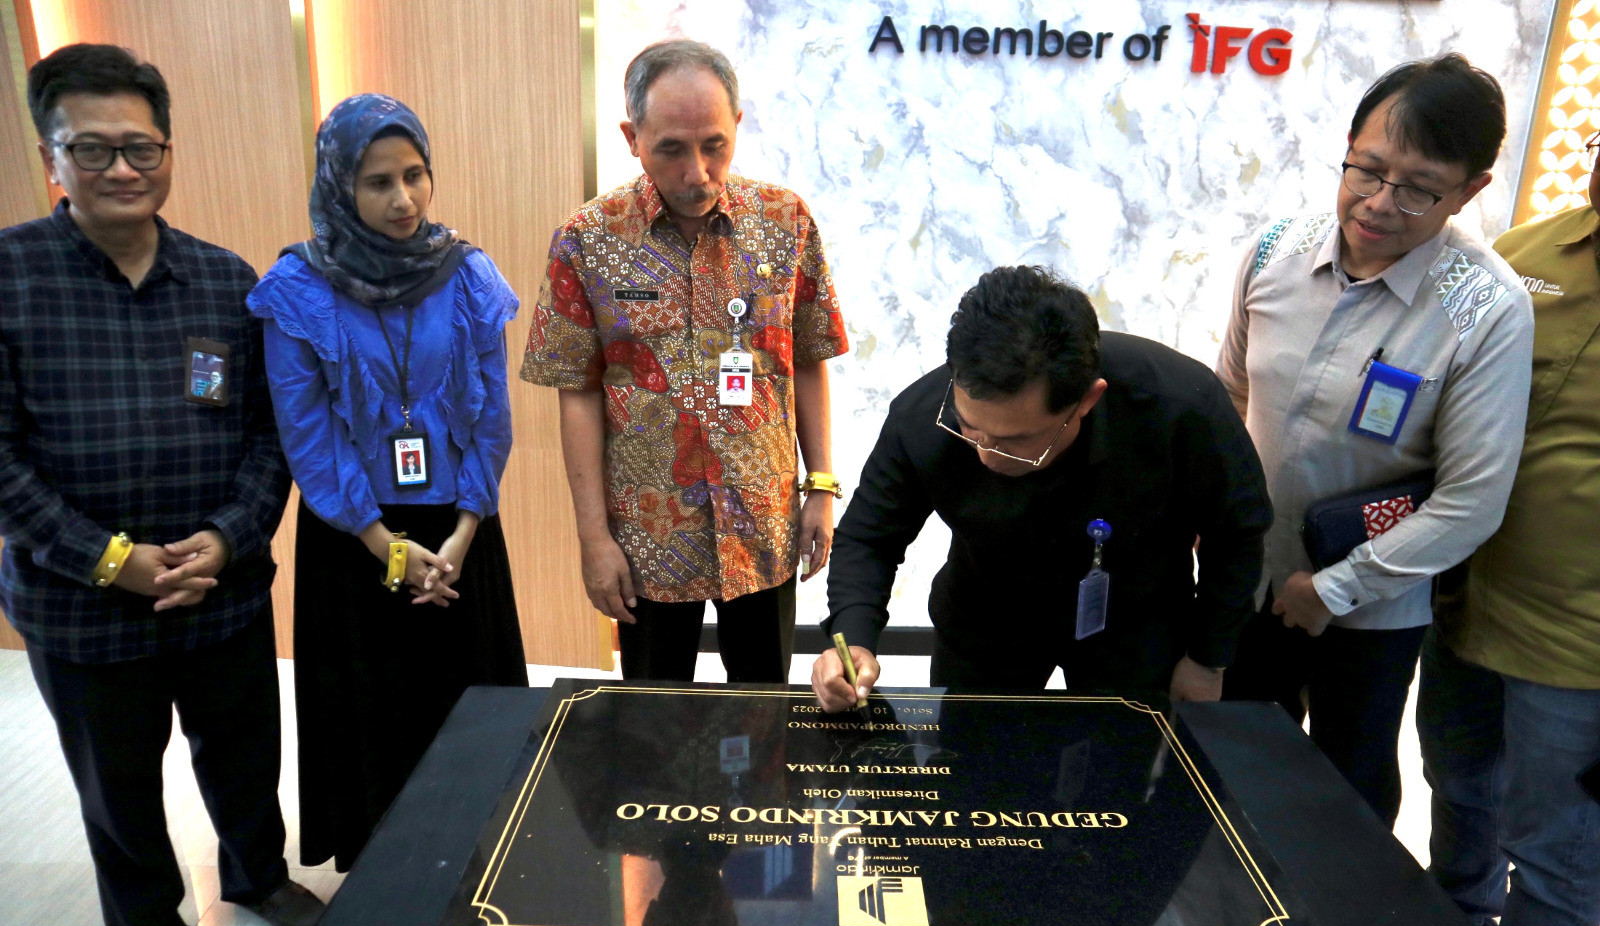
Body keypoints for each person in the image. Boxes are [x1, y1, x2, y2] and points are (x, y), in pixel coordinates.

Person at [0, 44, 321, 926]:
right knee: (117, 774)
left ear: (168, 151)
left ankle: (257, 876)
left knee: (241, 749)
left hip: (217, 586)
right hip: (80, 603)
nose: (122, 169)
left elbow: (265, 436)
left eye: (140, 146)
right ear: (52, 159)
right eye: (91, 150)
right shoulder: (11, 278)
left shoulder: (223, 284)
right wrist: (109, 559)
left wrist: (226, 537)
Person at [1215, 54, 1534, 828]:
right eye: (1367, 169)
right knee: (1227, 767)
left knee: (1346, 797)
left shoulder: (1485, 310)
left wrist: (1336, 588)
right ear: (1350, 144)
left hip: (1368, 606)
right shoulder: (1274, 253)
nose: (1381, 203)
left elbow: (1472, 499)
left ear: (1470, 190)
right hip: (1247, 577)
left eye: (1420, 187)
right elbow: (1226, 395)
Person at [248, 94, 527, 873]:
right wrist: (387, 546)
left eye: (415, 175)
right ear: (341, 186)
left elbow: (492, 413)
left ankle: (478, 862)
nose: (403, 199)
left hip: (460, 532)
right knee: (377, 711)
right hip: (355, 539)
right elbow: (308, 433)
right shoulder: (299, 288)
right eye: (378, 182)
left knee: (467, 707)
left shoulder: (466, 273)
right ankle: (386, 877)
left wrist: (463, 532)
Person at [522, 39, 848, 683]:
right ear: (631, 136)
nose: (697, 171)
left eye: (714, 145)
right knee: (650, 720)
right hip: (648, 533)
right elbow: (577, 393)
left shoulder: (785, 222)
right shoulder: (587, 241)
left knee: (763, 712)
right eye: (671, 147)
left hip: (762, 519)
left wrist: (823, 487)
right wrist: (594, 539)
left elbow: (808, 358)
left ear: (737, 128)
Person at [811, 265, 1271, 710]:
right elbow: (871, 535)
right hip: (986, 620)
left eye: (1017, 442)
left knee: (1121, 772)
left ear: (1087, 399)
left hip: (1136, 618)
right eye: (969, 430)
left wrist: (1208, 658)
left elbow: (1236, 533)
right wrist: (851, 641)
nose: (987, 455)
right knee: (974, 768)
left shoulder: (1179, 406)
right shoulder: (921, 416)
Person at [1416, 140, 1600, 926]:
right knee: (1460, 798)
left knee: (1561, 860)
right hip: (1467, 607)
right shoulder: (1530, 255)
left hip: (1583, 658)